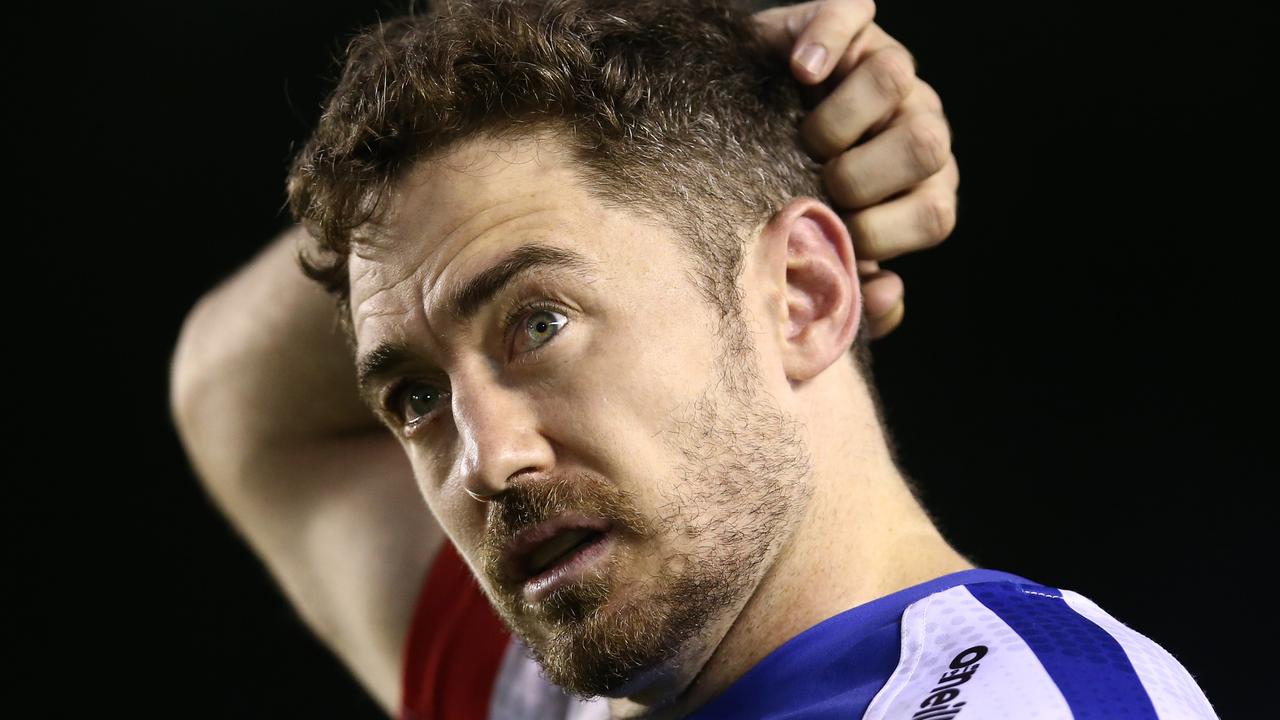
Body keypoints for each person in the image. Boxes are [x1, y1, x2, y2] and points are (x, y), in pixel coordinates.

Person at [169, 0, 1214, 718]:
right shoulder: (544, 692)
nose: (484, 461)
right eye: (413, 394)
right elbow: (233, 395)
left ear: (799, 295)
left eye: (538, 324)